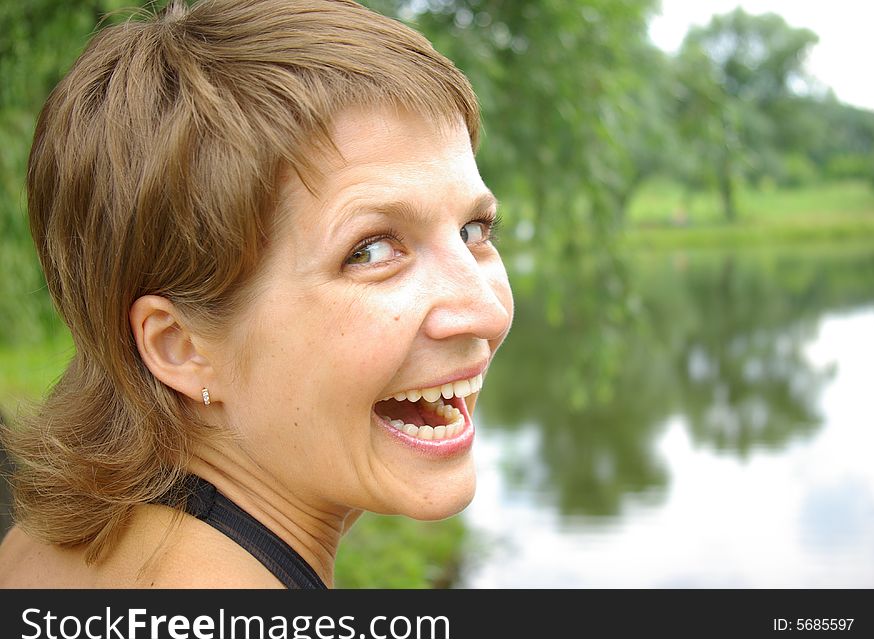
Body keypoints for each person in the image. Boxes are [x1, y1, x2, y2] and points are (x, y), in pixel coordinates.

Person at [0, 0, 513, 588]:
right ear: (181, 347)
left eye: (474, 232)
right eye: (370, 251)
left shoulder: (39, 543)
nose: (487, 310)